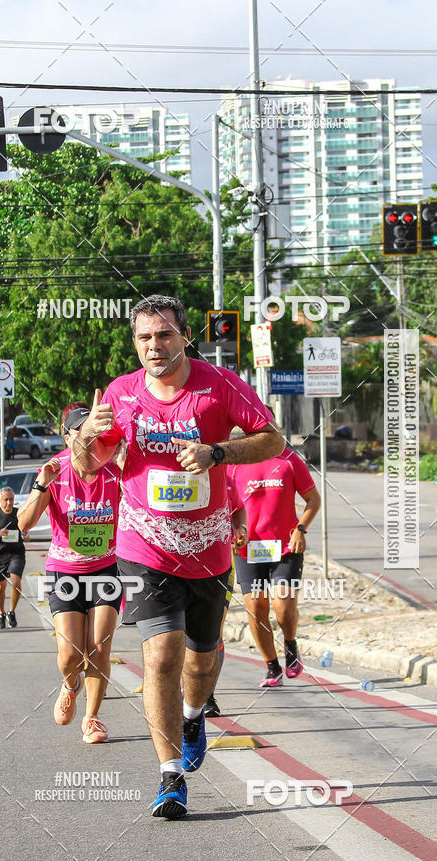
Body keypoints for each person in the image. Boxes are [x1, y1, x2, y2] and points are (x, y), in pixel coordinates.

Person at [78, 294, 284, 818]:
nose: (154, 346)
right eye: (144, 337)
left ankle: (194, 716)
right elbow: (85, 466)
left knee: (202, 657)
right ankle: (170, 778)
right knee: (161, 656)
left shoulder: (219, 386)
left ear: (185, 335)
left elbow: (271, 439)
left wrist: (218, 453)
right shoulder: (121, 395)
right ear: (134, 342)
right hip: (143, 544)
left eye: (164, 335)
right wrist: (85, 435)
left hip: (209, 546)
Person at [18, 401, 122, 744]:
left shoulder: (115, 471)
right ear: (68, 439)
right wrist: (41, 486)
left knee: (99, 647)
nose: (91, 440)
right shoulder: (54, 470)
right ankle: (70, 683)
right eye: (83, 433)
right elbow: (23, 523)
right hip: (65, 571)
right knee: (69, 655)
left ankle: (91, 719)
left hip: (107, 568)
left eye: (97, 434)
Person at [229, 446, 321, 687]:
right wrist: (234, 531)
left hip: (286, 547)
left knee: (282, 606)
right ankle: (272, 666)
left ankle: (290, 644)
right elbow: (224, 504)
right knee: (256, 608)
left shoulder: (289, 461)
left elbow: (313, 499)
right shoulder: (234, 462)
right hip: (248, 548)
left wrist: (300, 530)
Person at [203, 472, 248, 718]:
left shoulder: (225, 481)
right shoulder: (169, 477)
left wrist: (240, 528)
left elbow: (239, 509)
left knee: (213, 633)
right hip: (174, 568)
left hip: (219, 567)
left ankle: (207, 694)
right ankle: (177, 686)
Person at [0, 487, 29, 629]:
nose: (9, 503)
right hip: (0, 554)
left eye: (11, 500)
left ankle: (12, 611)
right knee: (0, 585)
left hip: (17, 553)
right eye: (6, 500)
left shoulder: (19, 513)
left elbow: (26, 532)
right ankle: (1, 613)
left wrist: (25, 536)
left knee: (15, 580)